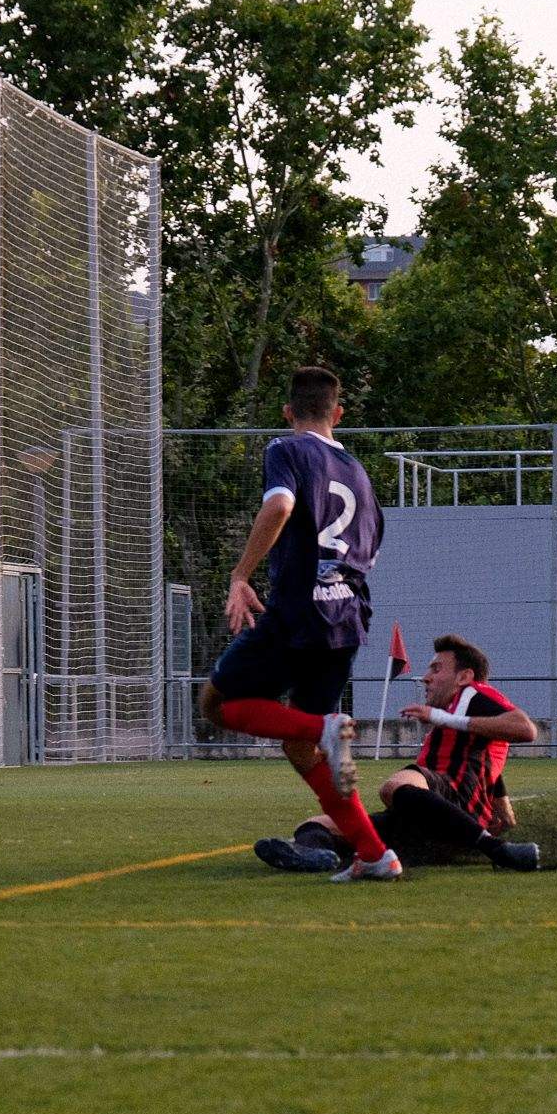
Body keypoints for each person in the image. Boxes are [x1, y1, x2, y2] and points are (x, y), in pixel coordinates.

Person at [197, 365, 403, 883]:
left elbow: (282, 504)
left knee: (216, 704)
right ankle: (376, 854)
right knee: (303, 750)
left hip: (296, 613)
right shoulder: (359, 471)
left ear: (289, 413)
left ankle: (325, 727)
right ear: (338, 413)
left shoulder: (285, 449)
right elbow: (372, 544)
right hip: (346, 621)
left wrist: (241, 574)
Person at [256, 635, 541, 873]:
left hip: (452, 799)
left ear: (464, 676)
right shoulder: (460, 711)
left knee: (395, 787)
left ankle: (498, 851)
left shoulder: (473, 693)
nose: (426, 678)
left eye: (437, 669)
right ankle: (321, 859)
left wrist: (443, 718)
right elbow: (488, 750)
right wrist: (500, 799)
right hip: (427, 817)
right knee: (314, 826)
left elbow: (525, 729)